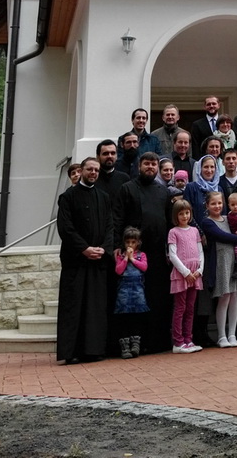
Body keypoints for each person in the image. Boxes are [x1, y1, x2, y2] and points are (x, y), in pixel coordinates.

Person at [113, 152, 173, 353]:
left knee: (157, 297)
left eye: (153, 164)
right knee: (135, 300)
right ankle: (134, 341)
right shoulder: (127, 188)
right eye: (146, 163)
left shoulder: (163, 191)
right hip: (133, 254)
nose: (150, 167)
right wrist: (117, 247)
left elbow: (168, 220)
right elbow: (118, 219)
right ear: (139, 166)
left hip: (157, 253)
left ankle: (156, 342)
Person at [56, 158, 113, 363]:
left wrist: (103, 249)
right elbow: (65, 228)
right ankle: (71, 352)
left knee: (95, 306)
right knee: (74, 305)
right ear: (81, 171)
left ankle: (94, 350)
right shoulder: (67, 197)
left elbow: (109, 225)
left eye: (96, 170)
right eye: (90, 169)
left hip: (98, 260)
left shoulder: (104, 197)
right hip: (76, 260)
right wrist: (84, 249)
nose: (94, 173)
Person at [199, 190, 237, 347]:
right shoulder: (207, 222)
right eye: (213, 203)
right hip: (221, 262)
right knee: (224, 297)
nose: (217, 206)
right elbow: (223, 236)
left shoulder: (229, 218)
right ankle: (222, 335)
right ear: (207, 205)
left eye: (219, 203)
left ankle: (232, 334)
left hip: (235, 260)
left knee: (235, 296)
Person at [168, 199, 204, 353]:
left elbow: (200, 251)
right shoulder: (173, 232)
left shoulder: (195, 231)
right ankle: (178, 342)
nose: (184, 216)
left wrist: (200, 270)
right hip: (182, 274)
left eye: (187, 213)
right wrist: (186, 272)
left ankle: (189, 339)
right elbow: (172, 255)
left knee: (190, 308)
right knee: (180, 308)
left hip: (195, 274)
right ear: (176, 216)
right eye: (181, 213)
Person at [113, 225, 150, 358]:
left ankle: (136, 344)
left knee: (136, 318)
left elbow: (144, 267)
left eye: (133, 242)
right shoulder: (120, 256)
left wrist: (133, 259)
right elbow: (118, 270)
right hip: (124, 292)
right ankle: (125, 346)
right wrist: (125, 258)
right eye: (128, 242)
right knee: (124, 318)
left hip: (137, 292)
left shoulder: (141, 255)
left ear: (138, 243)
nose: (130, 245)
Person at [95, 140, 130, 205]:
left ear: (116, 156)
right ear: (98, 156)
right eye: (105, 153)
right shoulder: (92, 178)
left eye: (113, 153)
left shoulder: (124, 179)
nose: (110, 156)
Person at [190, 95, 221, 160]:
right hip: (204, 161)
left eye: (214, 104)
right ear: (204, 107)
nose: (211, 106)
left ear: (219, 105)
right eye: (208, 104)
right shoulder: (197, 124)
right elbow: (195, 146)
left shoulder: (225, 123)